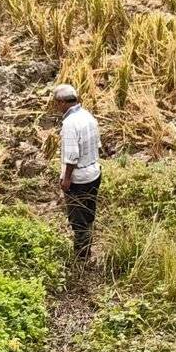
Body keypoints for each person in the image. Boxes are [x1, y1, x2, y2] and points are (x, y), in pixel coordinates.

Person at [53, 84, 101, 262]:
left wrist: (66, 179)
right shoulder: (88, 116)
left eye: (56, 103)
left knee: (78, 220)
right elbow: (97, 145)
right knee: (89, 215)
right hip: (94, 173)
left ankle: (81, 259)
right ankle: (88, 251)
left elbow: (72, 157)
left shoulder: (69, 124)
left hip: (79, 179)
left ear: (61, 102)